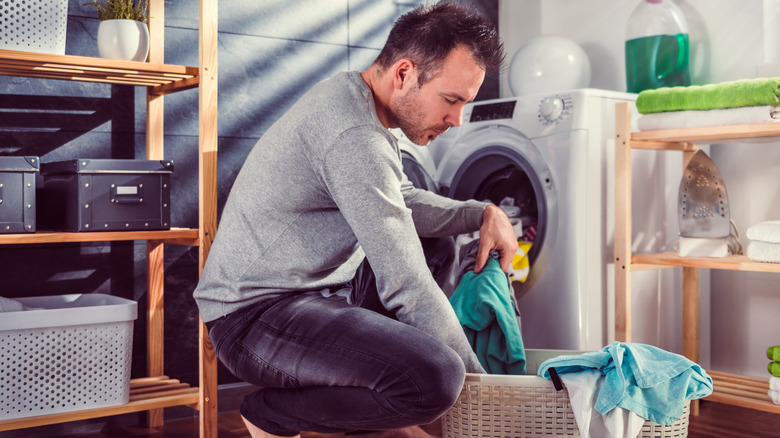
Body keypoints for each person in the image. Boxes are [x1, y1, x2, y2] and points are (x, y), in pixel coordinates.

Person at [193, 3, 516, 437]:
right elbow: (408, 284)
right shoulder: (353, 135)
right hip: (254, 316)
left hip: (318, 291)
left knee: (434, 243)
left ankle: (388, 414)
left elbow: (397, 199)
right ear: (404, 73)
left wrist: (481, 214)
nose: (456, 120)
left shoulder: (358, 101)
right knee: (438, 377)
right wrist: (490, 397)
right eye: (451, 100)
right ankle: (270, 413)